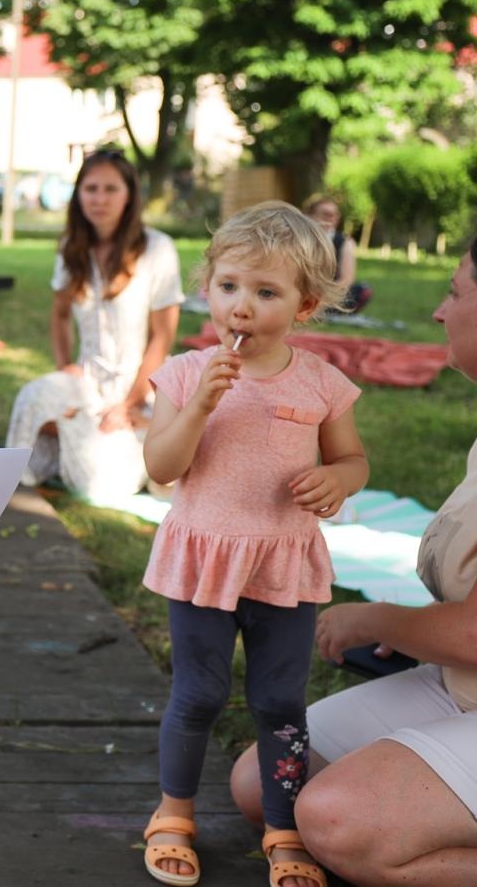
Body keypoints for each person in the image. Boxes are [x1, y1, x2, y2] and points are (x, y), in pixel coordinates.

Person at [226, 237, 477, 887]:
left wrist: (374, 620)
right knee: (264, 783)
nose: (438, 312)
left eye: (454, 293)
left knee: (334, 819)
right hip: (461, 685)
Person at [139, 202, 368, 887]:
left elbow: (353, 460)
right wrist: (201, 407)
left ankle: (285, 827)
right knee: (198, 694)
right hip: (203, 560)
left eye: (266, 292)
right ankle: (173, 812)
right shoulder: (184, 374)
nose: (241, 306)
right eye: (229, 286)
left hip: (283, 562)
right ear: (208, 287)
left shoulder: (321, 382)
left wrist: (338, 480)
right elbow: (162, 467)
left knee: (279, 702)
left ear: (305, 305)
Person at [5, 150, 183, 502]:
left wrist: (129, 404)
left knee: (98, 485)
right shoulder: (73, 248)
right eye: (91, 189)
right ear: (79, 194)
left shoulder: (157, 248)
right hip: (86, 383)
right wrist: (64, 367)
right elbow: (59, 314)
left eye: (110, 189)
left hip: (143, 388)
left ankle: (118, 439)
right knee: (32, 398)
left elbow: (162, 337)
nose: (99, 199)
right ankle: (73, 434)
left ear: (129, 195)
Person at [304, 194, 372, 314]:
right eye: (325, 214)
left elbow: (346, 280)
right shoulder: (299, 238)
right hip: (303, 289)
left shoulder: (345, 242)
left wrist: (321, 302)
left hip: (329, 294)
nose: (331, 218)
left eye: (335, 215)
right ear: (310, 215)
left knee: (362, 290)